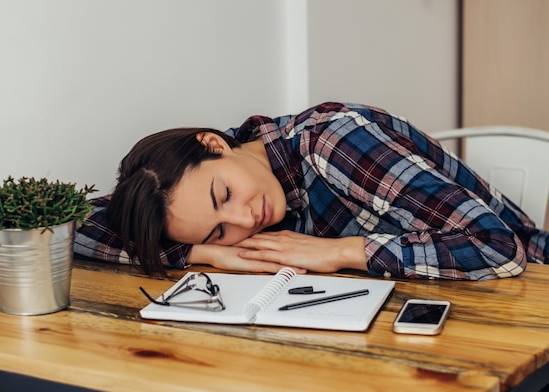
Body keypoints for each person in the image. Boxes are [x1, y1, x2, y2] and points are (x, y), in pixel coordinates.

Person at [74, 102, 549, 280]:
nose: (244, 221)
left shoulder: (335, 141)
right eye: (219, 230)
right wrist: (202, 254)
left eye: (224, 196)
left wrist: (341, 252)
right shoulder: (200, 204)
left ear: (215, 144)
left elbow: (498, 249)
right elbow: (75, 225)